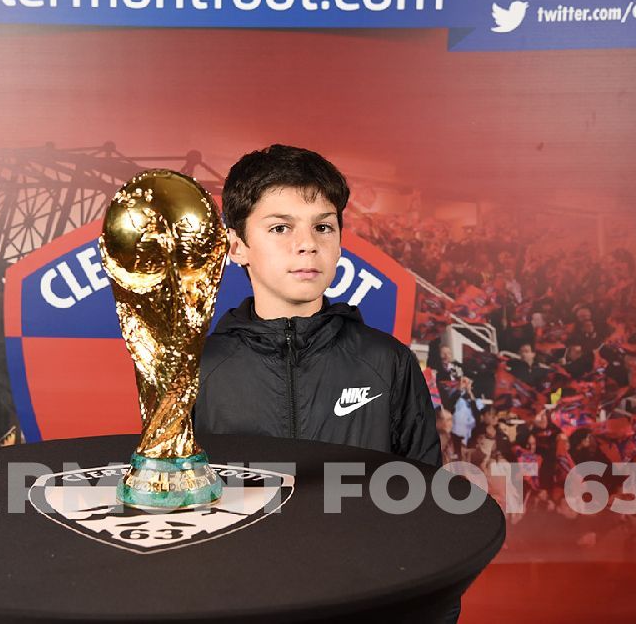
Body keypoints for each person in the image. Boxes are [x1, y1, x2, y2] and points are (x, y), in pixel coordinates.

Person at [192, 145, 456, 620]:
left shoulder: (386, 361)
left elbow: (426, 511)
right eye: (279, 227)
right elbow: (176, 520)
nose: (307, 244)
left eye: (323, 226)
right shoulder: (198, 371)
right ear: (237, 246)